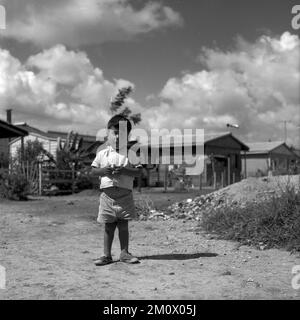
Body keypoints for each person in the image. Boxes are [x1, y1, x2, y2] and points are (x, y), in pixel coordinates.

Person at [91, 115, 141, 266]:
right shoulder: (102, 154)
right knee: (109, 227)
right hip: (107, 197)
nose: (118, 137)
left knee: (123, 226)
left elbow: (138, 172)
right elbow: (94, 171)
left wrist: (125, 170)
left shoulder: (131, 154)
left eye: (123, 134)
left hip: (125, 197)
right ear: (108, 133)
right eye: (115, 132)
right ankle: (106, 255)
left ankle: (124, 253)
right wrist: (104, 171)